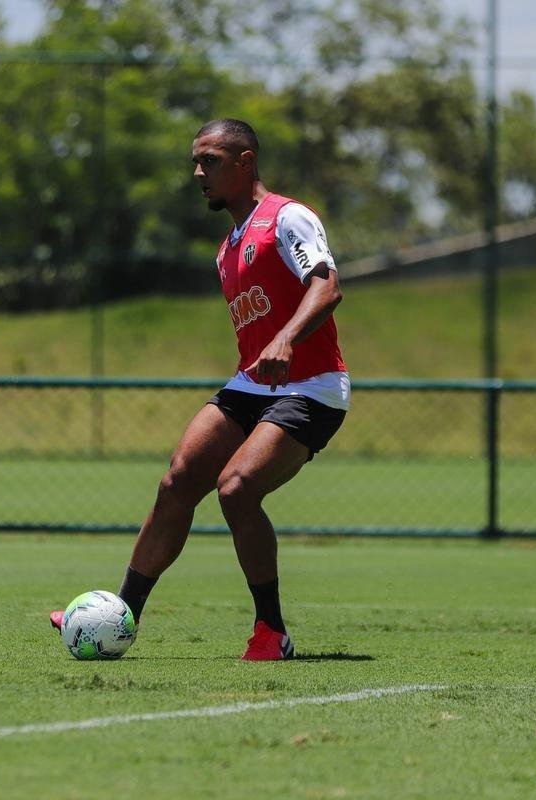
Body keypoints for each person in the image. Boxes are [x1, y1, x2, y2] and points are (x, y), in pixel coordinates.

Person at [51, 118, 350, 660]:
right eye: (196, 161)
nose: (198, 172)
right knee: (178, 482)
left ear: (246, 162)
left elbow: (326, 286)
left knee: (236, 490)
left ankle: (271, 632)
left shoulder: (288, 217)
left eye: (210, 160)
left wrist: (285, 339)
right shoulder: (226, 250)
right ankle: (116, 616)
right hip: (252, 385)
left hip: (313, 387)